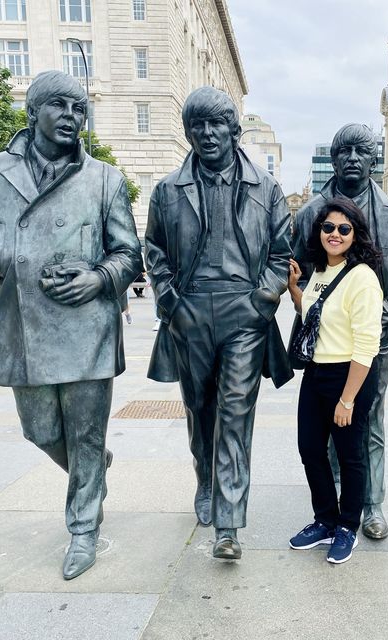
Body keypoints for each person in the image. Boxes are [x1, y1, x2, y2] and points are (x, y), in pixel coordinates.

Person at [0, 70, 142, 579]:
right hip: (22, 328)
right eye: (60, 106)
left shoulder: (105, 179)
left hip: (87, 326)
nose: (72, 117)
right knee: (40, 431)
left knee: (86, 434)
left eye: (79, 108)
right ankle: (91, 471)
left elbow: (129, 255)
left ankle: (83, 527)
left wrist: (98, 278)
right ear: (32, 112)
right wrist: (3, 254)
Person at [145, 86, 292, 560]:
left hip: (243, 313)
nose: (207, 134)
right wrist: (171, 303)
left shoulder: (266, 190)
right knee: (199, 408)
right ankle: (205, 480)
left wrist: (261, 302)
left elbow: (280, 254)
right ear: (188, 131)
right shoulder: (167, 190)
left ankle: (228, 524)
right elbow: (155, 252)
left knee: (235, 412)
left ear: (234, 128)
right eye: (197, 125)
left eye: (216, 124)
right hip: (189, 312)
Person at [292, 124, 388, 540]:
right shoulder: (311, 213)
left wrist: (386, 313)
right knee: (325, 427)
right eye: (344, 151)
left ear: (374, 159)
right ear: (334, 158)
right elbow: (299, 272)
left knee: (370, 422)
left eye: (362, 151)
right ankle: (338, 504)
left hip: (375, 340)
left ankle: (372, 503)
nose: (353, 159)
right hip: (327, 346)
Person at [288, 197, 383, 564]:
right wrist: (297, 289)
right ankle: (324, 519)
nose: (335, 234)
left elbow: (367, 344)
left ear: (355, 235)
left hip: (350, 374)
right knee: (310, 449)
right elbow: (314, 315)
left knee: (350, 455)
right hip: (317, 372)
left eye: (344, 229)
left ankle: (347, 527)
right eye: (329, 227)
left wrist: (347, 400)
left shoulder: (362, 278)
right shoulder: (320, 272)